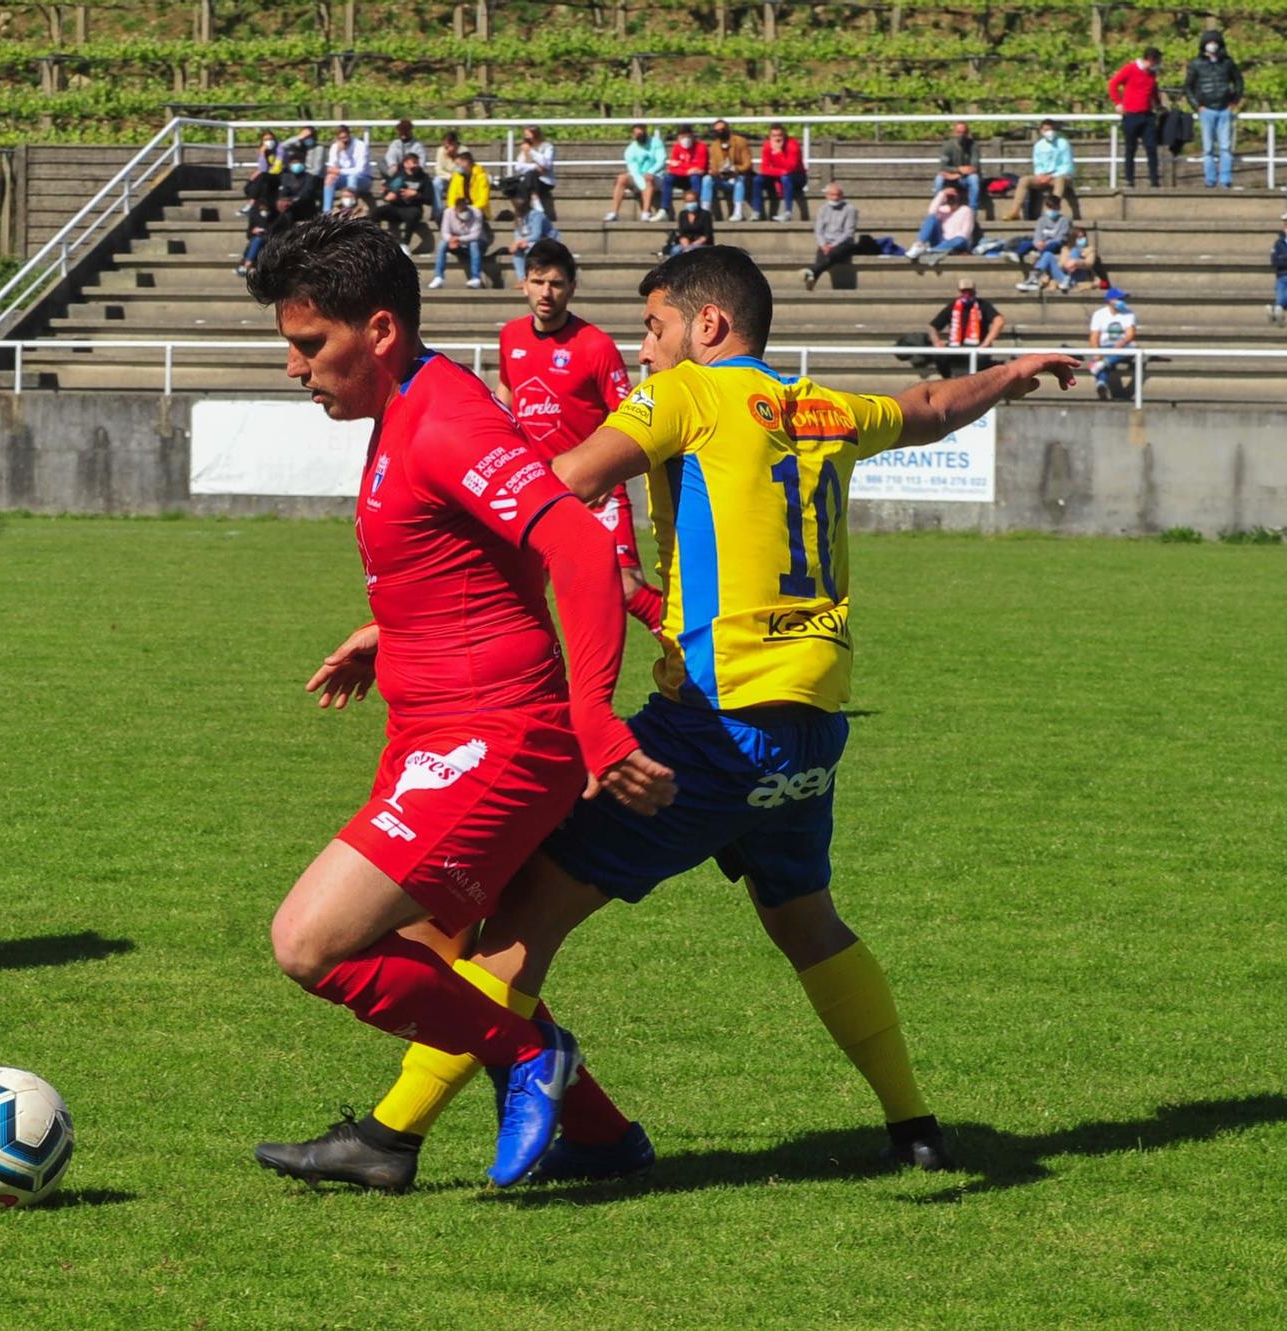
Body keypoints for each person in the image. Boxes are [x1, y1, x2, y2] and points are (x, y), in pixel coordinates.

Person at [266, 245, 1081, 1189]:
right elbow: (935, 408)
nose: (640, 353)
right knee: (809, 922)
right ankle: (915, 1127)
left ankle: (393, 1133)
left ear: (709, 327)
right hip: (811, 728)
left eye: (652, 330)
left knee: (528, 906)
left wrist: (418, 597)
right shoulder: (823, 405)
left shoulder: (689, 395)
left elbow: (555, 491)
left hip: (711, 723)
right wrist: (1011, 372)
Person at [242, 215, 668, 1191]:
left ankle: (529, 1058)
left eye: (310, 347)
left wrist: (595, 716)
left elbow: (571, 543)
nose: (296, 369)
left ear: (379, 332)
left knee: (308, 941)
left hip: (493, 739)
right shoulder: (405, 410)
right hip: (433, 730)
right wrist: (387, 633)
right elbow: (488, 553)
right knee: (429, 956)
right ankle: (599, 1138)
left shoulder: (444, 416)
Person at [492, 237, 663, 634]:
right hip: (538, 486)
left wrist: (608, 472)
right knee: (521, 590)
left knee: (623, 587)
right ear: (524, 284)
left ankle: (689, 650)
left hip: (594, 484)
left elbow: (626, 417)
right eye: (538, 282)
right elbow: (506, 398)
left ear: (571, 287)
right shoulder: (511, 337)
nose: (546, 293)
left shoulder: (595, 346)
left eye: (555, 283)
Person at [1185, 32, 1243, 190]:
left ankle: (1225, 180)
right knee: (1208, 148)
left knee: (1225, 147)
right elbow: (1188, 86)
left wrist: (1234, 102)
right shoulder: (1196, 64)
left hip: (1225, 109)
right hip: (1206, 110)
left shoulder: (1227, 63)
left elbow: (1238, 82)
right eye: (1209, 42)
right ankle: (1210, 180)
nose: (1213, 45)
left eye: (1215, 42)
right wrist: (1197, 106)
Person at [925, 277, 1006, 377]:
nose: (967, 294)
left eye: (970, 291)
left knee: (980, 359)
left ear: (974, 291)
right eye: (964, 291)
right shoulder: (953, 306)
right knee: (939, 355)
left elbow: (999, 321)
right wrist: (936, 342)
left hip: (977, 346)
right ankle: (947, 380)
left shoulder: (983, 305)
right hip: (956, 346)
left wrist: (986, 343)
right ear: (959, 292)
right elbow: (933, 326)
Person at [1109, 47, 1164, 188]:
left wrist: (1158, 105)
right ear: (1151, 60)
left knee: (1151, 147)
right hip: (1131, 115)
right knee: (1130, 148)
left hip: (1147, 115)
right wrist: (1118, 103)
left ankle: (1154, 179)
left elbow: (1153, 90)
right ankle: (1129, 179)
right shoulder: (1130, 69)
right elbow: (1113, 84)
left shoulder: (1152, 74)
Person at [1007, 120, 1078, 221]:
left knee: (1060, 180)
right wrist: (1040, 175)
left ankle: (1052, 210)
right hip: (1043, 176)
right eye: (1046, 129)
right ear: (1041, 131)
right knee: (1024, 180)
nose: (1049, 132)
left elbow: (1067, 166)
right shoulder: (1038, 145)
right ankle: (1015, 212)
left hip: (1060, 176)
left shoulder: (1063, 143)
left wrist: (1052, 175)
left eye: (1051, 129)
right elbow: (1038, 164)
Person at [374, 151, 435, 252]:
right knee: (375, 212)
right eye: (413, 162)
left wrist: (416, 194)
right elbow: (388, 192)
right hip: (396, 208)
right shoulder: (398, 176)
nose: (416, 165)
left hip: (413, 208)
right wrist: (386, 195)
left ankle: (404, 244)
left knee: (413, 214)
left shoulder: (424, 178)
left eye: (417, 162)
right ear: (405, 163)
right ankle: (376, 241)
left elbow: (429, 199)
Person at [1087, 287, 1139, 400]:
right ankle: (1101, 384)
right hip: (1105, 346)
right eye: (1121, 299)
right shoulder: (1099, 314)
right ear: (1111, 301)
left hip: (1123, 347)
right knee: (1100, 357)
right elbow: (1094, 336)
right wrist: (1097, 352)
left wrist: (1122, 342)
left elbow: (1130, 334)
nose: (1123, 301)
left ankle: (1102, 366)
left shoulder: (1129, 314)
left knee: (1133, 348)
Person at [804, 181, 858, 289]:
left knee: (832, 253)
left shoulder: (850, 209)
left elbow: (849, 232)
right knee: (822, 255)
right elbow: (818, 230)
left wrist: (833, 245)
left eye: (838, 195)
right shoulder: (823, 209)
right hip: (826, 242)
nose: (835, 197)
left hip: (843, 243)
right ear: (827, 195)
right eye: (832, 195)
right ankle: (812, 278)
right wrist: (823, 244)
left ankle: (812, 272)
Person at [607, 124, 665, 222]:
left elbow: (661, 161)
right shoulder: (630, 151)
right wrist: (643, 186)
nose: (641, 135)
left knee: (648, 178)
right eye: (638, 134)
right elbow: (635, 172)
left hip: (656, 176)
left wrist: (650, 172)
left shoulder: (656, 143)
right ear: (633, 136)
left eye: (642, 133)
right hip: (639, 177)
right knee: (621, 178)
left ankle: (646, 212)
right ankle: (615, 213)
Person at [1014, 197, 1073, 292]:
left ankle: (1034, 280)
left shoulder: (1064, 221)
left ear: (1059, 207)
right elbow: (1037, 234)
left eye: (1054, 208)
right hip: (1042, 246)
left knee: (1050, 249)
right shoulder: (1042, 220)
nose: (1051, 211)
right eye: (1049, 208)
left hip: (1054, 245)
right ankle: (1017, 256)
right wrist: (1038, 243)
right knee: (1026, 244)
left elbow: (1061, 237)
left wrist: (1045, 244)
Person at [905, 187, 975, 262]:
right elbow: (931, 213)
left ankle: (929, 251)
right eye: (950, 198)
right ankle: (919, 245)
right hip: (942, 241)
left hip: (957, 243)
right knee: (932, 217)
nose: (952, 200)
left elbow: (965, 234)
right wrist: (942, 194)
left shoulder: (966, 210)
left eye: (954, 198)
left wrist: (948, 242)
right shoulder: (943, 209)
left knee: (960, 239)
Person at [703, 119, 755, 222]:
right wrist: (714, 171)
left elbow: (747, 164)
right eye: (717, 130)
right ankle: (705, 211)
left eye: (722, 129)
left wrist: (735, 169)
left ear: (727, 128)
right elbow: (713, 165)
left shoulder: (740, 142)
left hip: (737, 176)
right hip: (721, 178)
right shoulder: (714, 146)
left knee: (739, 181)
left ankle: (738, 212)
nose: (720, 132)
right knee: (706, 179)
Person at [503, 124, 557, 219]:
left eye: (528, 135)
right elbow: (518, 167)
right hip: (529, 180)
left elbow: (546, 164)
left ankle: (524, 210)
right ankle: (533, 201)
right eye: (525, 135)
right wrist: (535, 166)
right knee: (528, 176)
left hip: (544, 181)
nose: (526, 137)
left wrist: (531, 152)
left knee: (530, 175)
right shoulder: (525, 148)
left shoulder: (547, 147)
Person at [431, 198, 487, 289]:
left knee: (474, 244)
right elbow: (445, 232)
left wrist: (458, 239)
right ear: (455, 209)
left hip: (476, 244)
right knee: (442, 244)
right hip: (455, 243)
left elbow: (475, 235)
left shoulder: (476, 213)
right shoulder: (448, 213)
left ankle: (476, 278)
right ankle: (438, 277)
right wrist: (451, 240)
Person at [660, 125, 710, 220]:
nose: (685, 139)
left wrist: (680, 164)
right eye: (682, 137)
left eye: (687, 137)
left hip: (695, 178)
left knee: (695, 177)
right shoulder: (677, 147)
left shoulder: (701, 147)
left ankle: (696, 206)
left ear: (692, 136)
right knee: (668, 178)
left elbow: (701, 167)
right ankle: (664, 209)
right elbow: (672, 168)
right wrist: (688, 169)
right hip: (681, 177)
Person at [757, 123, 804, 222]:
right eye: (774, 136)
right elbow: (764, 168)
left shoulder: (792, 145)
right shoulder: (767, 146)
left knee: (786, 178)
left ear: (784, 135)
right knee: (758, 180)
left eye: (780, 135)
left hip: (797, 177)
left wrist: (779, 153)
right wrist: (781, 172)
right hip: (779, 175)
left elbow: (790, 168)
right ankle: (757, 212)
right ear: (770, 137)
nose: (777, 139)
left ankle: (788, 212)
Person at [933, 121, 982, 211]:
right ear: (954, 133)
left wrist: (958, 174)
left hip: (965, 177)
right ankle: (938, 209)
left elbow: (974, 167)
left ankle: (972, 211)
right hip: (950, 177)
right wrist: (959, 169)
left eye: (964, 132)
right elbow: (943, 167)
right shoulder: (947, 146)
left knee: (974, 179)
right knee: (938, 179)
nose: (961, 135)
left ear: (967, 133)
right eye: (959, 132)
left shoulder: (973, 145)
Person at [323, 125, 371, 212]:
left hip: (363, 179)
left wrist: (339, 171)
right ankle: (326, 211)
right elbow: (331, 168)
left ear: (349, 135)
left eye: (345, 137)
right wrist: (338, 152)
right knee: (329, 178)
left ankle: (350, 210)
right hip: (343, 178)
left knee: (352, 177)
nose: (344, 140)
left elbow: (360, 170)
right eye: (341, 138)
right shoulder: (335, 147)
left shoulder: (360, 146)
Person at [507, 201, 560, 280]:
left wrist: (522, 242)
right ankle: (522, 279)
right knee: (517, 251)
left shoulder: (536, 215)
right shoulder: (518, 218)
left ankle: (536, 277)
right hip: (529, 242)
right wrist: (517, 243)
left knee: (531, 249)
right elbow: (518, 234)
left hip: (547, 241)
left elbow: (536, 234)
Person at [446, 149, 490, 216]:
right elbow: (451, 196)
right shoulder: (457, 176)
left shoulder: (481, 177)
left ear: (466, 162)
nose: (457, 167)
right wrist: (455, 208)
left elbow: (483, 200)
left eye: (458, 164)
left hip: (478, 210)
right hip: (460, 209)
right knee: (442, 215)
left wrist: (470, 209)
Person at [432, 131, 464, 213]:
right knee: (436, 183)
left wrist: (455, 156)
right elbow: (438, 169)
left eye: (447, 147)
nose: (445, 149)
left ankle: (458, 209)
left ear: (454, 144)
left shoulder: (463, 151)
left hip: (460, 180)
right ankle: (437, 211)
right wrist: (449, 176)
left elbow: (463, 169)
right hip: (446, 178)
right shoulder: (440, 151)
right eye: (444, 146)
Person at [1269, 221, 1287, 323]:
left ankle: (1274, 309)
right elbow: (1274, 261)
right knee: (1281, 296)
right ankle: (1276, 311)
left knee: (1282, 300)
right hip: (1281, 275)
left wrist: (1283, 258)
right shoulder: (1278, 243)